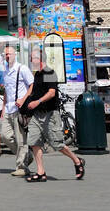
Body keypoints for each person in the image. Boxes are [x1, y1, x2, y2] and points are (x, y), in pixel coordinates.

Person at [19, 50, 85, 182]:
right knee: (34, 142)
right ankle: (40, 172)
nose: (31, 61)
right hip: (37, 115)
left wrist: (37, 101)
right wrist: (23, 99)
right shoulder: (37, 74)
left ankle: (77, 161)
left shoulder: (49, 72)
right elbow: (32, 90)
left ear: (40, 59)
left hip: (50, 114)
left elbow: (52, 93)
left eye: (33, 59)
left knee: (57, 144)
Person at [1, 44, 33, 177]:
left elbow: (32, 85)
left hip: (19, 109)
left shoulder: (22, 69)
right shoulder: (5, 70)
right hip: (8, 108)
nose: (8, 56)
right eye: (6, 54)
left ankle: (22, 166)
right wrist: (3, 108)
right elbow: (6, 91)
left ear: (15, 55)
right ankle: (27, 156)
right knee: (5, 135)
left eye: (10, 54)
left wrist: (23, 99)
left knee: (21, 139)